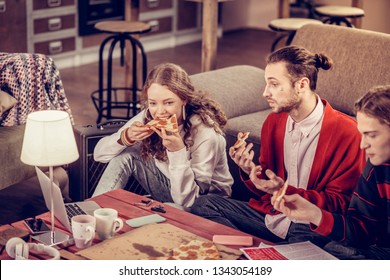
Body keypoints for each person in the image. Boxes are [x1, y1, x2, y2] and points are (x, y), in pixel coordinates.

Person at [191, 46, 365, 246]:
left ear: (302, 84)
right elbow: (268, 186)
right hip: (273, 218)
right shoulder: (274, 122)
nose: (265, 93)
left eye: (274, 84)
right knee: (204, 205)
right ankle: (255, 254)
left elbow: (341, 205)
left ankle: (265, 252)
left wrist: (285, 190)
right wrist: (251, 171)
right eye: (267, 84)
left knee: (317, 243)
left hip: (309, 226)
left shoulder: (349, 133)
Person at [92, 63, 233, 209]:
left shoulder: (206, 134)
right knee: (126, 153)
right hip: (171, 187)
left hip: (207, 204)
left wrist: (177, 151)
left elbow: (191, 202)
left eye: (168, 103)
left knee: (173, 208)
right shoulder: (148, 115)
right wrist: (125, 138)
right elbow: (99, 155)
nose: (160, 112)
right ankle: (92, 215)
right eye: (153, 103)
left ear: (183, 99)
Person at [272, 85, 390, 259]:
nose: (363, 145)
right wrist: (314, 214)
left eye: (371, 135)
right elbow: (361, 231)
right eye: (362, 135)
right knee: (333, 249)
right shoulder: (376, 168)